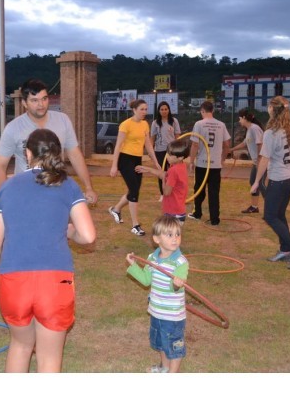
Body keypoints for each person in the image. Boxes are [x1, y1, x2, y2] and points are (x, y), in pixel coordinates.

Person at [0, 128, 96, 373]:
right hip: (55, 281)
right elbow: (88, 236)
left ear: (27, 154)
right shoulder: (68, 186)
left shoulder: (7, 187)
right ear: (58, 153)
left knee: (20, 345)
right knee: (49, 357)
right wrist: (70, 232)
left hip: (14, 279)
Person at [0, 78, 98, 204]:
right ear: (24, 103)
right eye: (34, 100)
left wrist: (88, 187)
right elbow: (0, 166)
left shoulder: (63, 120)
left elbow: (75, 155)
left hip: (58, 191)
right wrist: (3, 199)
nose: (41, 104)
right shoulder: (13, 128)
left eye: (44, 98)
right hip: (26, 194)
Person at [126, 215, 189, 373]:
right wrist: (134, 265)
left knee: (174, 346)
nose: (175, 238)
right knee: (161, 343)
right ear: (156, 239)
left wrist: (176, 284)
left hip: (173, 315)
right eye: (169, 235)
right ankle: (164, 368)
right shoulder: (152, 259)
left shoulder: (180, 262)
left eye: (177, 234)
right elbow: (146, 280)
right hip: (156, 311)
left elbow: (176, 287)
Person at [251, 96, 290, 269]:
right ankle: (285, 249)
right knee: (279, 215)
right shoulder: (287, 130)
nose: (267, 108)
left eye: (269, 106)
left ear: (272, 109)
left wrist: (256, 181)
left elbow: (264, 159)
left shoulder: (271, 133)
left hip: (280, 180)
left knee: (270, 216)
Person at [109, 99, 161, 236]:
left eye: (146, 109)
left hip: (137, 160)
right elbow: (118, 146)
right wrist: (114, 166)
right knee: (134, 191)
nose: (144, 112)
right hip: (125, 160)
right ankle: (135, 225)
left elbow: (148, 145)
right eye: (142, 109)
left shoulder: (145, 124)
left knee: (134, 190)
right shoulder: (125, 124)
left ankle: (116, 209)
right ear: (134, 110)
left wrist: (156, 162)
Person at [188, 101, 231, 225]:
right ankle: (214, 219)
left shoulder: (199, 124)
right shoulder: (221, 125)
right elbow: (227, 144)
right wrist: (222, 159)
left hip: (202, 163)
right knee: (214, 192)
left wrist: (191, 161)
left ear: (202, 111)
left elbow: (195, 144)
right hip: (215, 165)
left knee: (199, 189)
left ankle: (197, 213)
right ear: (213, 110)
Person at [135, 139, 190, 224]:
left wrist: (164, 180)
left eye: (170, 155)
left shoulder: (174, 170)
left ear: (180, 157)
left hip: (172, 213)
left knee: (164, 232)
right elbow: (165, 174)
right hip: (179, 212)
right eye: (167, 153)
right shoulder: (181, 166)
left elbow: (166, 192)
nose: (167, 156)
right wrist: (148, 169)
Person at [229, 108, 264, 214]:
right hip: (257, 162)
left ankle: (271, 209)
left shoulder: (254, 128)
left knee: (260, 184)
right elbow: (245, 143)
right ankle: (254, 207)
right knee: (253, 182)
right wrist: (231, 149)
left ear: (244, 118)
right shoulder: (249, 129)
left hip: (262, 162)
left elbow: (260, 144)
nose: (239, 121)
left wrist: (259, 160)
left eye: (240, 118)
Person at [151, 101, 181, 202]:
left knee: (173, 172)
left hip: (172, 151)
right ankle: (162, 193)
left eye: (166, 109)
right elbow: (152, 138)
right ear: (159, 111)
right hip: (160, 150)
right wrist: (151, 151)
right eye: (162, 109)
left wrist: (178, 150)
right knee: (162, 172)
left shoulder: (174, 121)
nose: (164, 111)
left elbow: (177, 136)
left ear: (169, 110)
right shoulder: (155, 123)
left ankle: (174, 193)